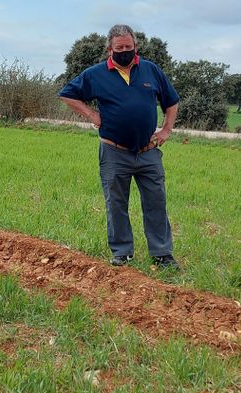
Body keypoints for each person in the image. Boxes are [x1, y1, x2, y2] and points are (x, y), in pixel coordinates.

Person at [59, 24, 181, 270]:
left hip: (148, 152)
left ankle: (162, 253)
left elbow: (171, 101)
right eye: (119, 48)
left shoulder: (151, 70)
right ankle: (122, 252)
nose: (124, 51)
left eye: (128, 47)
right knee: (116, 203)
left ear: (135, 46)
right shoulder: (95, 74)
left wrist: (167, 129)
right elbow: (67, 94)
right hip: (114, 151)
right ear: (110, 49)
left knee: (156, 202)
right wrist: (92, 115)